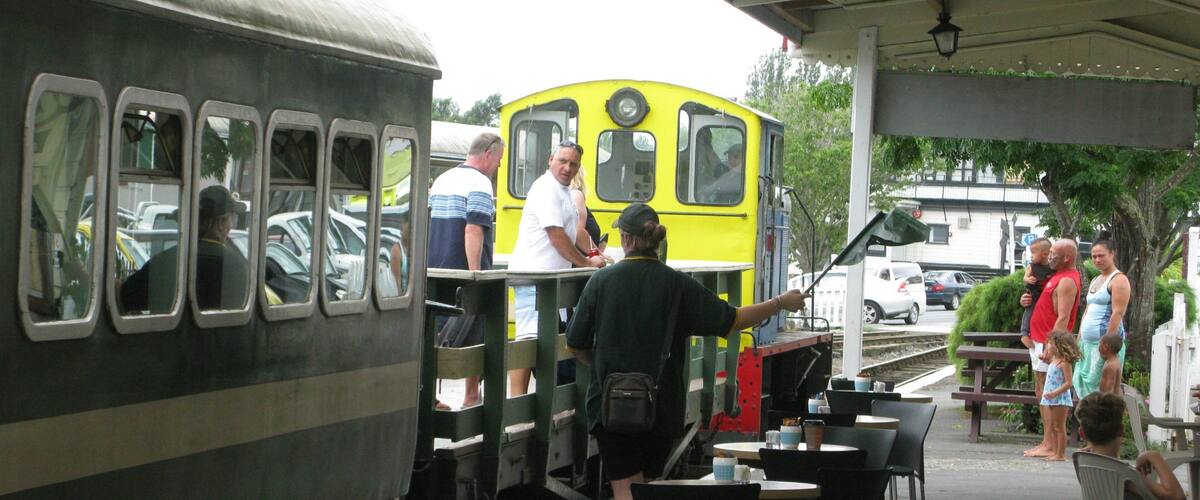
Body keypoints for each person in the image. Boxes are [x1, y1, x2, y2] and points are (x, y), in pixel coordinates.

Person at [565, 203, 809, 500]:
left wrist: (602, 366)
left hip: (611, 405)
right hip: (662, 404)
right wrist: (780, 302)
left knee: (625, 490)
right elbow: (734, 319)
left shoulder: (601, 281)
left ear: (626, 239)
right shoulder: (678, 284)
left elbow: (575, 343)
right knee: (649, 489)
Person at [509, 140, 607, 396]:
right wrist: (586, 263)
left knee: (546, 340)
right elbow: (556, 235)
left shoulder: (563, 191)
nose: (567, 168)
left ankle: (540, 401)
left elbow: (575, 232)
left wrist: (596, 254)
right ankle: (516, 402)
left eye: (573, 164)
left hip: (551, 281)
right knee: (528, 340)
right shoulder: (545, 189)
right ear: (550, 160)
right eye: (563, 161)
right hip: (534, 277)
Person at [427, 132, 503, 409]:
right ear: (489, 154)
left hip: (436, 270)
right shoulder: (480, 182)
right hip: (463, 272)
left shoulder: (442, 179)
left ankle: (430, 396)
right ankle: (471, 397)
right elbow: (473, 229)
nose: (499, 166)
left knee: (434, 333)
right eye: (499, 159)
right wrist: (476, 274)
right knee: (478, 333)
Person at [120, 185, 248, 312]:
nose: (231, 225)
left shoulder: (164, 261)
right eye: (232, 219)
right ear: (221, 223)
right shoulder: (239, 266)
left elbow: (123, 298)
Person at [1020, 238, 1082, 458]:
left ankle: (1050, 445)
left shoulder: (1066, 281)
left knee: (1047, 394)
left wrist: (1051, 344)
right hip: (1039, 339)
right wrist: (1026, 300)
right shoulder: (1056, 275)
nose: (1050, 257)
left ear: (1067, 258)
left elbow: (1063, 317)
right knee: (1041, 392)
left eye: (1054, 254)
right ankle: (1047, 442)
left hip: (1047, 343)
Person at [1075, 392, 1186, 500]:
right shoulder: (1126, 476)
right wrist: (1155, 456)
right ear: (1121, 431)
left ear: (1081, 433)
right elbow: (1177, 496)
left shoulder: (1081, 461)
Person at [1074, 237, 1130, 399]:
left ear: (1112, 254)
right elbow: (1087, 310)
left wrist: (1106, 344)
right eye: (1094, 256)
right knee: (1084, 391)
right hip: (1087, 344)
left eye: (1101, 255)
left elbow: (1118, 313)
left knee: (1103, 392)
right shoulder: (1095, 280)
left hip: (1104, 346)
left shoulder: (1119, 280)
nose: (1097, 260)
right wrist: (1079, 339)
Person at [1039, 330, 1081, 462]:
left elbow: (1069, 383)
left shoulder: (1064, 363)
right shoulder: (1053, 361)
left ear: (1059, 346)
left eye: (1051, 344)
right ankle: (1055, 451)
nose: (1048, 346)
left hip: (1060, 399)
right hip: (1050, 398)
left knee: (1059, 427)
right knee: (1052, 426)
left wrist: (1055, 393)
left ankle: (1061, 454)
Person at [1020, 238, 1053, 349]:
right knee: (1029, 311)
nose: (1031, 256)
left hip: (1046, 297)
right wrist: (1028, 279)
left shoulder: (1052, 267)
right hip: (1034, 294)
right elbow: (1025, 277)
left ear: (1045, 254)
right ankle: (1024, 333)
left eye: (1033, 253)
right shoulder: (1032, 266)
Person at [568, 167, 601, 256]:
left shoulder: (566, 195)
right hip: (581, 258)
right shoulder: (576, 194)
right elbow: (578, 231)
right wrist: (598, 255)